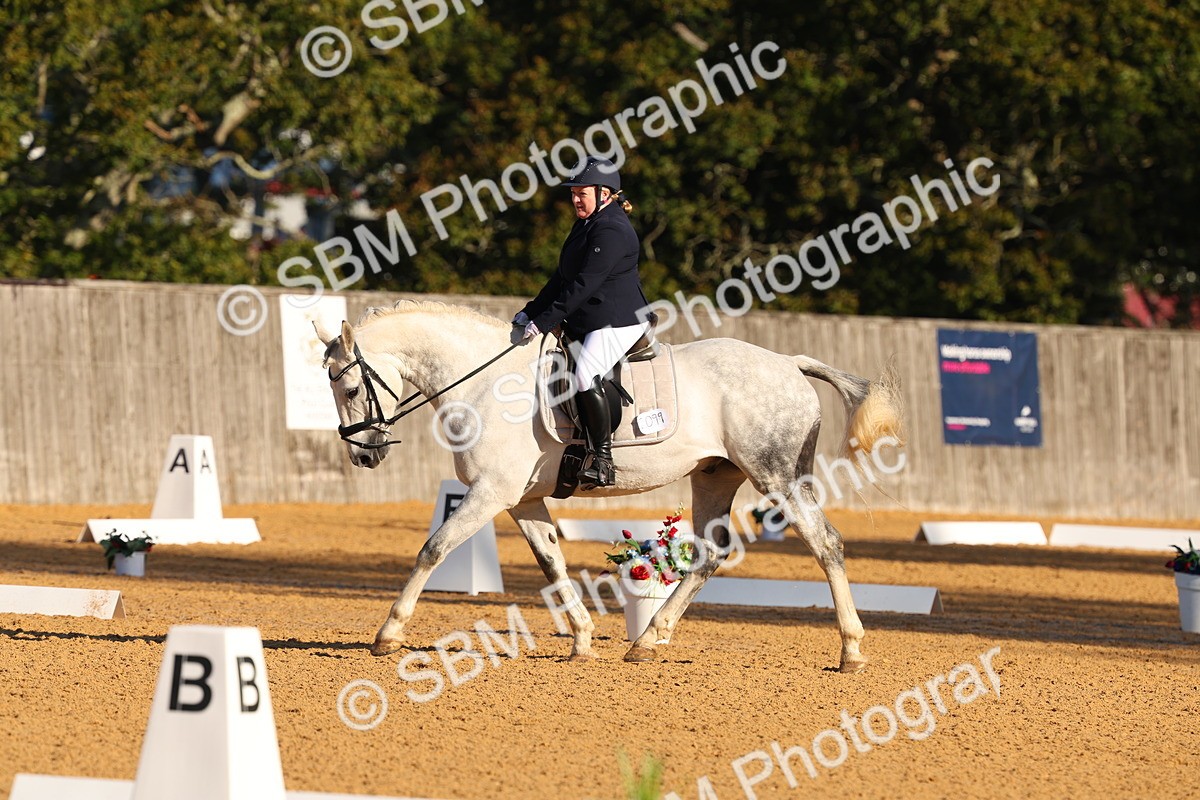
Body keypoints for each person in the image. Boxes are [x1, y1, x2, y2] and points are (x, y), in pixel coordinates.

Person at [513, 155, 651, 488]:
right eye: (573, 193)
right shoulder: (587, 223)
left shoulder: (612, 229)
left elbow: (584, 284)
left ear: (604, 193)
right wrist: (531, 311)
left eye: (582, 193)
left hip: (618, 320)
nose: (575, 199)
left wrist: (544, 321)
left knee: (586, 373)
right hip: (592, 316)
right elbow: (562, 278)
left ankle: (603, 460)